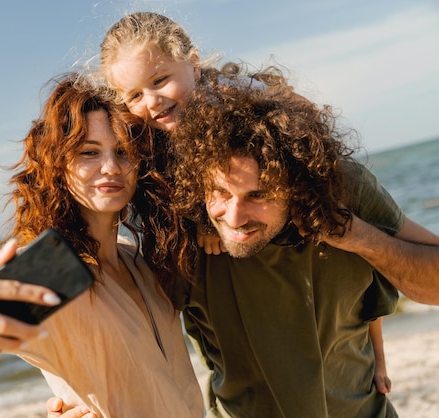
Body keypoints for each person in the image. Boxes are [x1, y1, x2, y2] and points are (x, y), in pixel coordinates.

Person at [98, 8, 400, 394]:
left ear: (191, 62)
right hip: (246, 240)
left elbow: (298, 128)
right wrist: (203, 223)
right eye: (135, 95)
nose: (152, 101)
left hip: (294, 186)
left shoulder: (230, 96)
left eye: (160, 80)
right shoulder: (151, 134)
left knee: (352, 271)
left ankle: (377, 352)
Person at [0, 73, 204, 417]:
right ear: (58, 164)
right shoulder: (55, 271)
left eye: (123, 152)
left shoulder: (139, 257)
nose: (111, 167)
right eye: (89, 152)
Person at [166, 76, 439, 417]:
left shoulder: (342, 189)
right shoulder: (178, 225)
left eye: (258, 195)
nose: (234, 218)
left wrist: (359, 237)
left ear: (297, 184)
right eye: (220, 193)